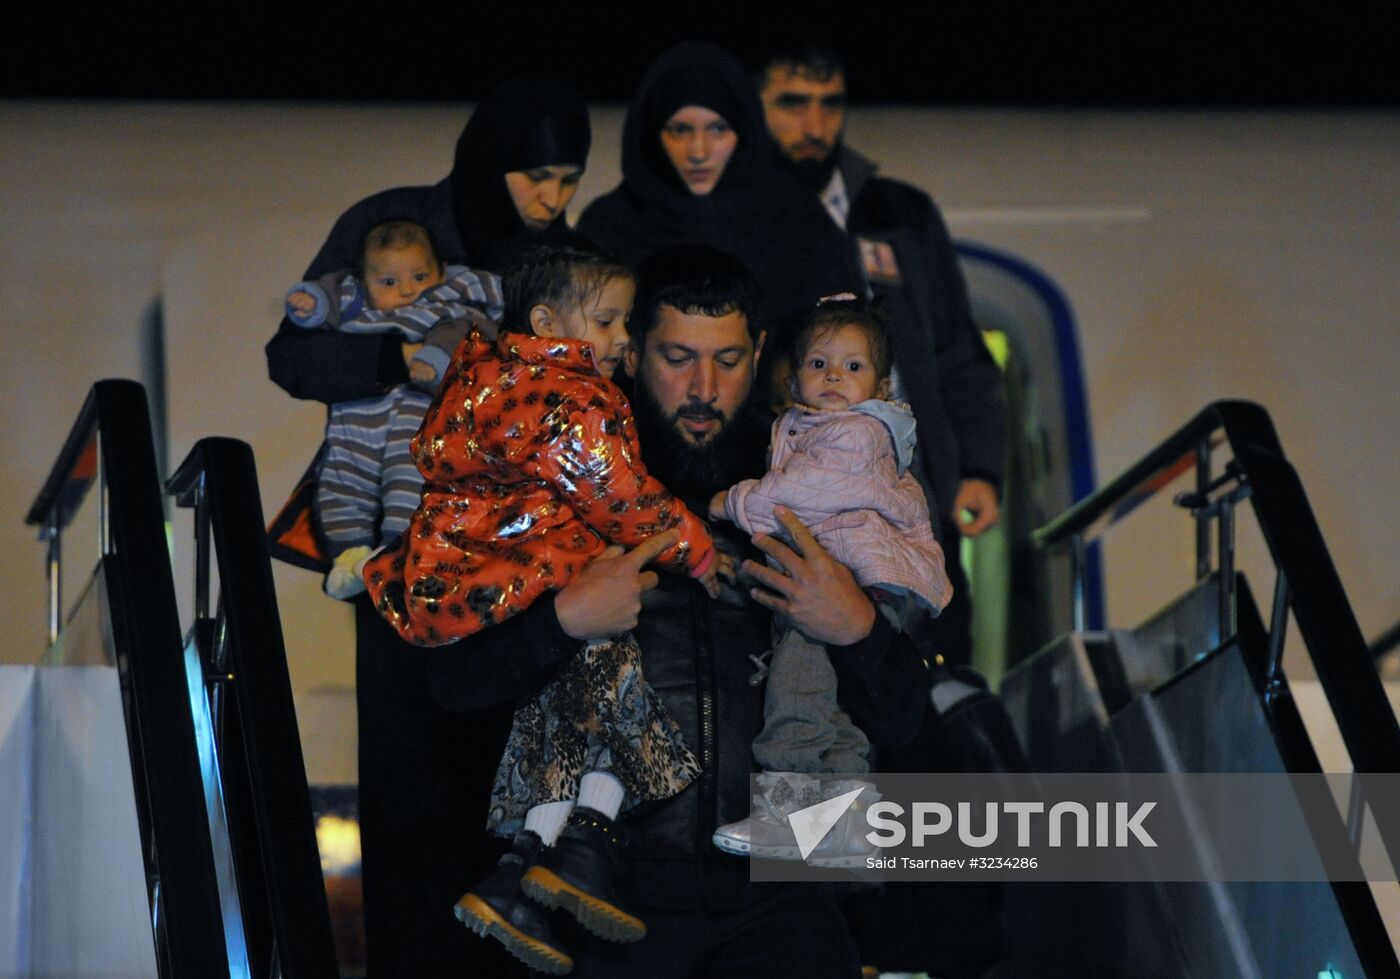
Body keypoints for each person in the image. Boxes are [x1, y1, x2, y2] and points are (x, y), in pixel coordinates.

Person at [422, 244, 930, 976]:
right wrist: (559, 622)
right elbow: (446, 689)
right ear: (631, 352)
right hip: (601, 899)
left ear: (761, 352)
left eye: (728, 360)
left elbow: (908, 720)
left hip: (787, 897)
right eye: (677, 357)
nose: (703, 388)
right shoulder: (553, 483)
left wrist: (857, 627)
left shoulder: (829, 488)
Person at [263, 78, 590, 978]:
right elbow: (293, 353)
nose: (551, 197)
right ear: (490, 163)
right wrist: (398, 359)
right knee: (412, 791)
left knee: (510, 792)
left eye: (568, 179)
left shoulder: (565, 252)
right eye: (535, 176)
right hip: (402, 546)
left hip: (519, 557)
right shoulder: (394, 225)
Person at [360, 237, 721, 973]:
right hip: (538, 576)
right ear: (548, 322)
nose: (703, 384)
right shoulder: (576, 399)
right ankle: (579, 842)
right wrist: (699, 549)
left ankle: (529, 864)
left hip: (459, 573)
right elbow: (623, 497)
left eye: (730, 358)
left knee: (573, 699)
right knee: (609, 686)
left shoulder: (482, 380)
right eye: (612, 324)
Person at [757, 44, 1007, 669]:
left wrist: (978, 467)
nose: (815, 123)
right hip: (806, 494)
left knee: (938, 657)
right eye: (792, 104)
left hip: (913, 487)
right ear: (753, 105)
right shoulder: (741, 216)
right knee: (820, 673)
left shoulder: (898, 213)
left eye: (830, 104)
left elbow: (956, 348)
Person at [707, 299, 951, 859]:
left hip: (850, 579)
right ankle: (844, 822)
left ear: (881, 388)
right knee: (834, 708)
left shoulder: (857, 433)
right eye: (819, 364)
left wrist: (732, 501)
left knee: (796, 690)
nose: (834, 376)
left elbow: (798, 494)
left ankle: (785, 813)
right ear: (792, 380)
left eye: (853, 366)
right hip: (856, 574)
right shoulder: (815, 427)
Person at [577, 40, 863, 384]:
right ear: (652, 134)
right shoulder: (609, 225)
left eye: (717, 129)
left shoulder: (797, 219)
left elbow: (846, 341)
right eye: (680, 130)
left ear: (743, 131)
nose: (699, 151)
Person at [281, 219, 504, 598]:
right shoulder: (355, 299)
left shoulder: (448, 297)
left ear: (440, 272)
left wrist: (434, 357)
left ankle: (397, 553)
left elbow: (469, 328)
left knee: (409, 481)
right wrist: (311, 302)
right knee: (340, 482)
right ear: (365, 282)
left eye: (420, 276)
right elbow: (328, 295)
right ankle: (349, 557)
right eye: (388, 281)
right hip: (356, 419)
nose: (407, 289)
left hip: (415, 417)